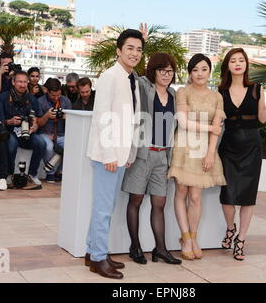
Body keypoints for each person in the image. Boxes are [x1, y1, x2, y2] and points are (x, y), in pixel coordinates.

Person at [85, 29, 144, 279]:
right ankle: (98, 258)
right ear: (118, 50)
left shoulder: (133, 78)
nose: (135, 53)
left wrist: (129, 152)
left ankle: (93, 252)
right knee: (103, 209)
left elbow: (132, 120)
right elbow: (102, 118)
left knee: (106, 206)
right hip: (107, 155)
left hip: (121, 154)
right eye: (130, 48)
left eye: (139, 49)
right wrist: (110, 154)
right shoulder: (110, 76)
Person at [218, 48, 266, 261]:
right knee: (227, 195)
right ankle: (230, 228)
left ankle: (241, 240)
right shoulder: (220, 91)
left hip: (252, 149)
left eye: (241, 60)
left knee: (247, 197)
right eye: (233, 60)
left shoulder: (256, 88)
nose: (237, 63)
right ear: (227, 65)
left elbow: (262, 118)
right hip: (228, 148)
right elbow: (216, 119)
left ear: (246, 65)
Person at [121, 53, 181, 265]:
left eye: (170, 71)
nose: (166, 75)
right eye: (161, 70)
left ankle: (161, 249)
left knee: (159, 203)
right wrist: (142, 50)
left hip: (162, 156)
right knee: (135, 200)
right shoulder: (144, 86)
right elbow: (133, 76)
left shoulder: (173, 94)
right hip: (142, 153)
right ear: (153, 71)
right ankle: (135, 246)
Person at [167, 54, 226, 261]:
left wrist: (211, 153)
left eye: (203, 69)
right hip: (184, 146)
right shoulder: (182, 92)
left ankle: (194, 237)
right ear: (190, 72)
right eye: (195, 70)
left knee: (195, 197)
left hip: (204, 150)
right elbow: (182, 122)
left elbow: (217, 130)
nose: (199, 74)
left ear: (210, 71)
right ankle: (185, 237)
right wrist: (210, 127)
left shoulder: (217, 97)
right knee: (181, 192)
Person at [0, 71, 46, 188]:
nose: (23, 85)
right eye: (20, 81)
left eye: (25, 82)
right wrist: (9, 121)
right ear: (13, 82)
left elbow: (36, 117)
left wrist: (34, 126)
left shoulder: (31, 98)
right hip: (9, 131)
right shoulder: (3, 97)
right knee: (11, 144)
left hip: (27, 132)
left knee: (41, 143)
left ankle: (32, 174)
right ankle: (9, 174)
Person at [37, 78, 72, 183]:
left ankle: (60, 172)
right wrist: (47, 116)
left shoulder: (66, 101)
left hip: (61, 133)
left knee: (71, 147)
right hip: (44, 132)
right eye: (53, 96)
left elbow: (72, 123)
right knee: (48, 147)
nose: (56, 98)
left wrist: (67, 117)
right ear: (47, 91)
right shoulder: (40, 101)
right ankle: (50, 173)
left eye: (58, 95)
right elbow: (39, 123)